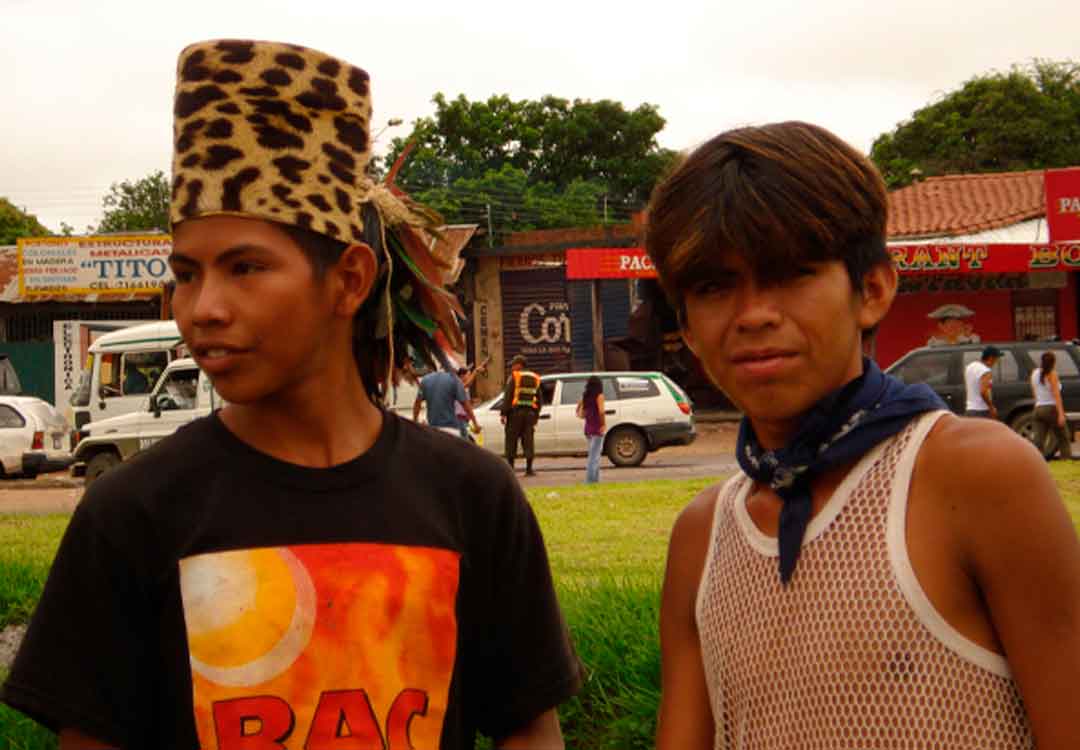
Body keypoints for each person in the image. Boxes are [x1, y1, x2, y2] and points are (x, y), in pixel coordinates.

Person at [0, 40, 580, 750]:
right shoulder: (134, 513)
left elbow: (529, 730)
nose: (203, 308)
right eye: (186, 273)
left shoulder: (471, 497)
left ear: (349, 280)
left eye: (246, 268)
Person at [647, 121, 1080, 748]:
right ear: (686, 327)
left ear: (872, 289)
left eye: (793, 274)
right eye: (715, 287)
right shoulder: (703, 536)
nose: (754, 314)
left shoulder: (974, 477)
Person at [501, 354, 542, 476]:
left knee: (511, 440)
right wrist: (536, 414)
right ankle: (529, 469)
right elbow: (539, 399)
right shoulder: (535, 377)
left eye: (513, 365)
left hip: (515, 414)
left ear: (519, 365)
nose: (512, 367)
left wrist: (503, 413)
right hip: (529, 414)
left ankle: (511, 469)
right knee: (528, 440)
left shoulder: (514, 377)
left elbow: (508, 396)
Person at [413, 366, 480, 438]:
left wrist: (415, 421)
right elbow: (465, 405)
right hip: (451, 428)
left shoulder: (425, 380)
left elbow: (417, 404)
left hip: (433, 429)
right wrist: (475, 423)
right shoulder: (454, 380)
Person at [1030, 350, 1073, 460]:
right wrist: (1061, 414)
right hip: (1051, 408)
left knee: (1038, 439)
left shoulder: (1034, 373)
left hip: (1038, 409)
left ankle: (1036, 461)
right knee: (1063, 436)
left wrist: (1037, 405)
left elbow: (1034, 391)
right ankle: (1066, 459)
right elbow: (1056, 395)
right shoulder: (1052, 374)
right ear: (1053, 362)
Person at [577, 376, 606, 483]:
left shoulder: (586, 396)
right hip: (597, 428)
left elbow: (582, 413)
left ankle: (596, 480)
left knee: (594, 455)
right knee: (594, 456)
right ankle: (589, 480)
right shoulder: (599, 396)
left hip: (588, 428)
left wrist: (579, 411)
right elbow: (601, 412)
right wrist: (603, 425)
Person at [964, 345, 1001, 418]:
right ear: (991, 358)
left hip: (970, 409)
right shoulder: (986, 371)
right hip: (982, 411)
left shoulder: (970, 366)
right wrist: (991, 407)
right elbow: (983, 391)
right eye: (996, 358)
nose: (996, 361)